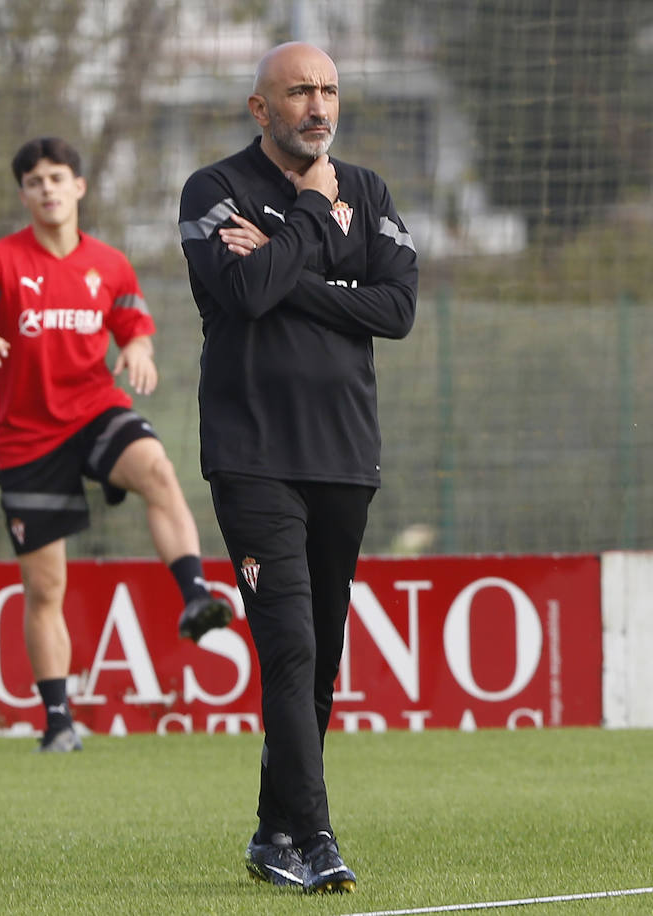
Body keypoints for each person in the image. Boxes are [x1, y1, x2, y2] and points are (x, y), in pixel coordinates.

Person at [177, 42, 417, 893]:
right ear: (260, 107)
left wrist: (285, 257)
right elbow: (241, 296)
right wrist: (315, 222)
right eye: (299, 92)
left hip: (345, 455)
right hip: (252, 456)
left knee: (319, 660)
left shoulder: (372, 191)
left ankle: (272, 830)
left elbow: (396, 310)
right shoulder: (214, 192)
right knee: (288, 644)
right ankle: (315, 838)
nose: (318, 106)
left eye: (328, 90)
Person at [0, 137, 234, 753]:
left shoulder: (110, 264)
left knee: (158, 469)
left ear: (79, 187)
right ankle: (58, 721)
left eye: (57, 178)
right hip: (28, 440)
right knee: (45, 589)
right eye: (35, 181)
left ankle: (196, 596)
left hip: (96, 412)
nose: (48, 189)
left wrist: (137, 350)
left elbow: (136, 327)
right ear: (24, 194)